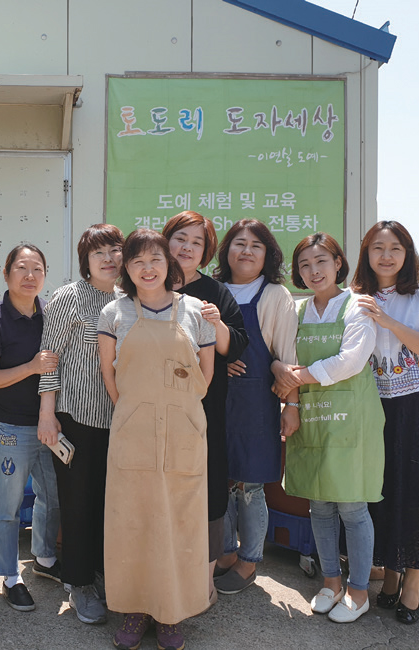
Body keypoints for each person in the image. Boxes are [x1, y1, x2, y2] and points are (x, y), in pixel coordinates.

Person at [98, 228, 216, 650]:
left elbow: (205, 375)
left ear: (170, 264)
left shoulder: (196, 311)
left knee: (180, 522)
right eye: (137, 261)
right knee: (132, 520)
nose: (147, 269)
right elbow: (109, 375)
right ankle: (136, 608)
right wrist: (136, 412)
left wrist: (174, 408)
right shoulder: (114, 313)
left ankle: (171, 612)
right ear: (127, 269)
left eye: (155, 260)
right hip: (133, 430)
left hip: (184, 429)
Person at [352, 221, 419, 625]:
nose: (386, 256)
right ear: (366, 254)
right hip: (371, 407)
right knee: (381, 491)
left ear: (407, 254)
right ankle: (391, 572)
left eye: (395, 248)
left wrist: (390, 322)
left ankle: (412, 582)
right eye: (377, 248)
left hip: (415, 406)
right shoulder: (355, 297)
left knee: (416, 492)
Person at [273, 232, 385, 624]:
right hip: (311, 415)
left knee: (352, 505)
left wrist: (296, 375)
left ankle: (359, 590)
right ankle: (331, 582)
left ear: (338, 263)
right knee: (318, 504)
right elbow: (283, 356)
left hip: (350, 418)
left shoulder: (358, 306)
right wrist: (289, 395)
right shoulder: (298, 310)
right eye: (304, 265)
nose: (314, 271)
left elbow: (350, 361)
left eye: (321, 261)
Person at [37, 224, 124, 625]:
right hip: (75, 418)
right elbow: (49, 357)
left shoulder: (127, 300)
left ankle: (100, 573)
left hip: (118, 420)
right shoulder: (69, 296)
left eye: (114, 251)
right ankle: (78, 584)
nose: (108, 259)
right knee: (77, 503)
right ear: (85, 260)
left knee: (108, 503)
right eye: (98, 253)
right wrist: (47, 414)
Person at [162, 212, 248, 601]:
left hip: (203, 410)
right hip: (156, 407)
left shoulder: (215, 292)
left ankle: (205, 579)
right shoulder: (149, 283)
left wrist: (217, 324)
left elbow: (236, 346)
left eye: (197, 243)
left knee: (209, 489)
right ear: (166, 240)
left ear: (206, 252)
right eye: (181, 238)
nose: (187, 247)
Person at [212, 219, 299, 594]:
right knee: (219, 481)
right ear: (226, 251)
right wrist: (220, 362)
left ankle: (249, 561)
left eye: (256, 246)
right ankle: (225, 553)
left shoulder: (276, 295)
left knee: (250, 487)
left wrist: (291, 405)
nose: (246, 251)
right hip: (214, 401)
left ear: (268, 255)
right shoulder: (211, 290)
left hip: (257, 403)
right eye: (239, 243)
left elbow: (287, 355)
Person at [0, 244, 60, 612]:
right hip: (10, 427)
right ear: (6, 274)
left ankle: (45, 558)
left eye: (37, 268)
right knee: (7, 505)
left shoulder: (51, 315)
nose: (30, 276)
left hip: (50, 425)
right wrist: (29, 367)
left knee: (52, 496)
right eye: (22, 268)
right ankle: (10, 576)